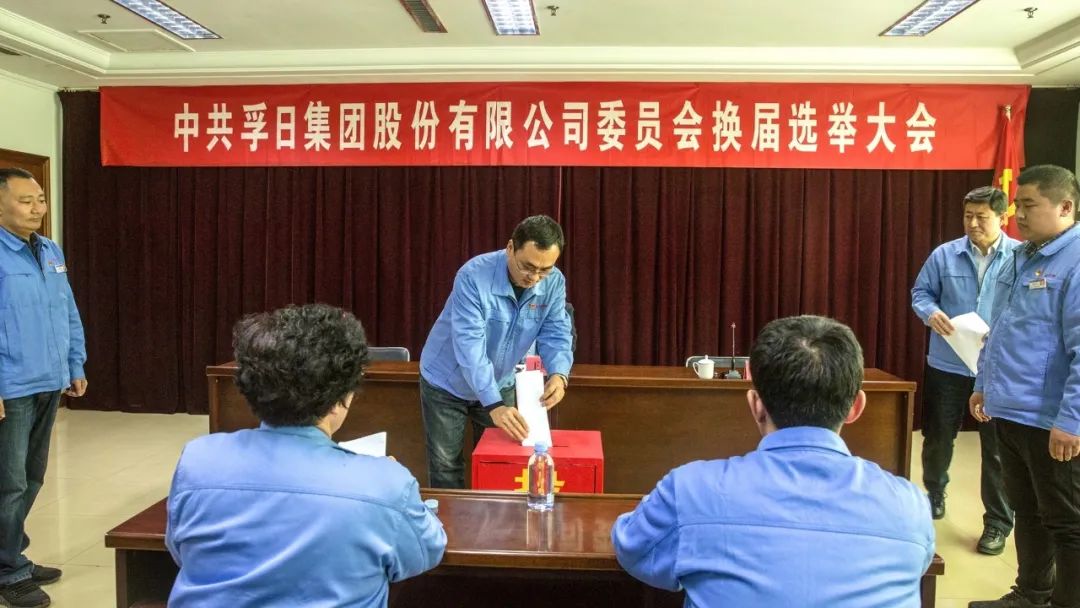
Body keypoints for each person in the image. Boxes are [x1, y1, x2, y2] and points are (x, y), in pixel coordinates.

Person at [612, 315, 935, 607]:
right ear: (856, 407)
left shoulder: (689, 491)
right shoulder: (911, 507)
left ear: (755, 404)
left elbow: (632, 548)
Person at [166, 304, 446, 607]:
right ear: (342, 398)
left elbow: (181, 551)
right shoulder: (385, 483)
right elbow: (426, 553)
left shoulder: (197, 460)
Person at [969, 165, 1080, 608]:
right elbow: (1000, 328)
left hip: (1050, 419)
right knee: (1027, 511)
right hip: (1010, 409)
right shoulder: (1023, 256)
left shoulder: (1074, 261)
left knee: (1067, 522)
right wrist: (984, 383)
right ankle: (1032, 594)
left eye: (1030, 205)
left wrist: (1071, 420)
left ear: (1065, 206)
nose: (1019, 215)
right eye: (1018, 205)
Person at [419, 215, 573, 488]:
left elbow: (556, 331)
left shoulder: (554, 283)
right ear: (510, 248)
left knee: (500, 465)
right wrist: (494, 404)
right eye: (527, 266)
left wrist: (559, 374)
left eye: (544, 270)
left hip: (500, 381)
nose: (534, 277)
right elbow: (469, 346)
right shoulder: (473, 276)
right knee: (446, 467)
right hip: (447, 382)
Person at [911, 185, 1019, 554]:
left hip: (998, 368)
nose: (973, 223)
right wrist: (931, 313)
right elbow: (921, 293)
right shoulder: (944, 255)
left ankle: (998, 523)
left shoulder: (1020, 257)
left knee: (997, 448)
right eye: (968, 216)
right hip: (948, 362)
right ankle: (934, 492)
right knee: (939, 436)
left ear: (1002, 217)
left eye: (981, 217)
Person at [0, 168, 87, 608]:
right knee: (9, 484)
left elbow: (66, 309)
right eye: (25, 200)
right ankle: (8, 572)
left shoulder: (50, 249)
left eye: (40, 199)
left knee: (32, 478)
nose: (37, 208)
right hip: (11, 387)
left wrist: (74, 362)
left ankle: (10, 553)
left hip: (49, 380)